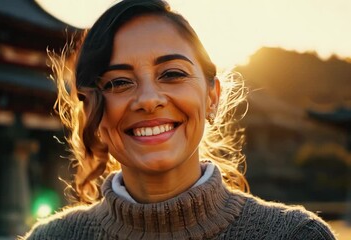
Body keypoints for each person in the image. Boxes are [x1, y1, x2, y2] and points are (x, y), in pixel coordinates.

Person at [22, 0, 336, 239]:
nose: (148, 99)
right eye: (118, 82)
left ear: (212, 96)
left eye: (172, 74)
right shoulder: (53, 238)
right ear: (92, 110)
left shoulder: (294, 235)